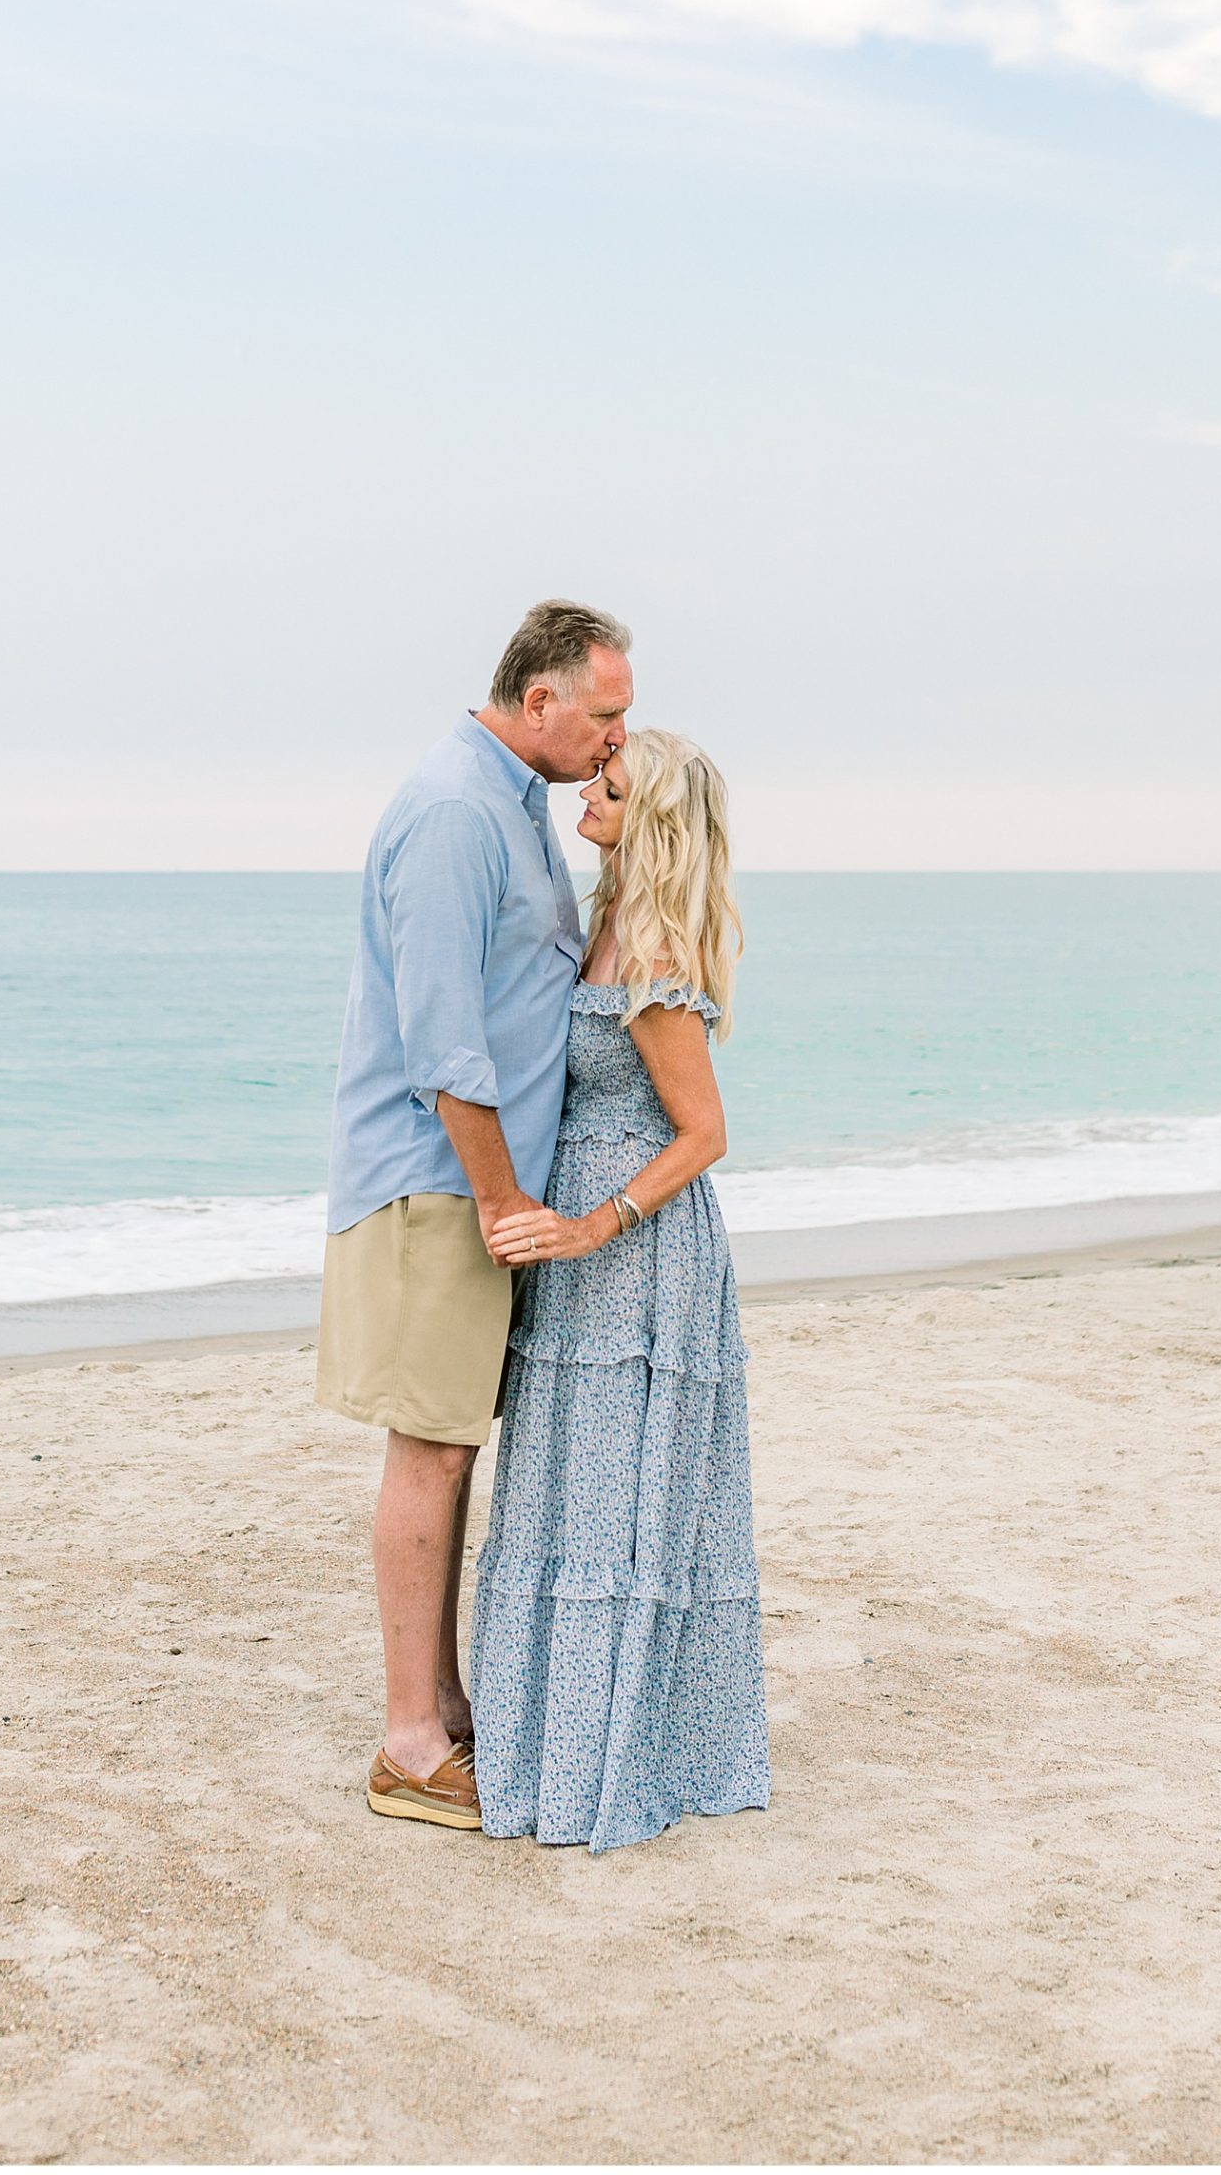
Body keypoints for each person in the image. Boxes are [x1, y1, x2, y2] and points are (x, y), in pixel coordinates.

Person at [315, 600, 634, 1829]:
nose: (615, 738)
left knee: (451, 1442)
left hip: (474, 1182)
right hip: (437, 1181)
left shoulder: (514, 803)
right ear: (538, 700)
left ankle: (442, 1703)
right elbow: (444, 1040)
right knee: (431, 1444)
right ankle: (408, 1741)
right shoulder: (458, 809)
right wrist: (503, 1198)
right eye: (603, 715)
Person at [470, 729, 770, 1852]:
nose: (587, 792)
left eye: (611, 785)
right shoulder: (600, 923)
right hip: (575, 1252)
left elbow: (706, 1133)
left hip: (637, 1255)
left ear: (649, 821)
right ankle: (549, 1744)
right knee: (564, 1495)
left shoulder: (651, 956)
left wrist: (599, 1220)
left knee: (623, 1507)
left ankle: (614, 1759)